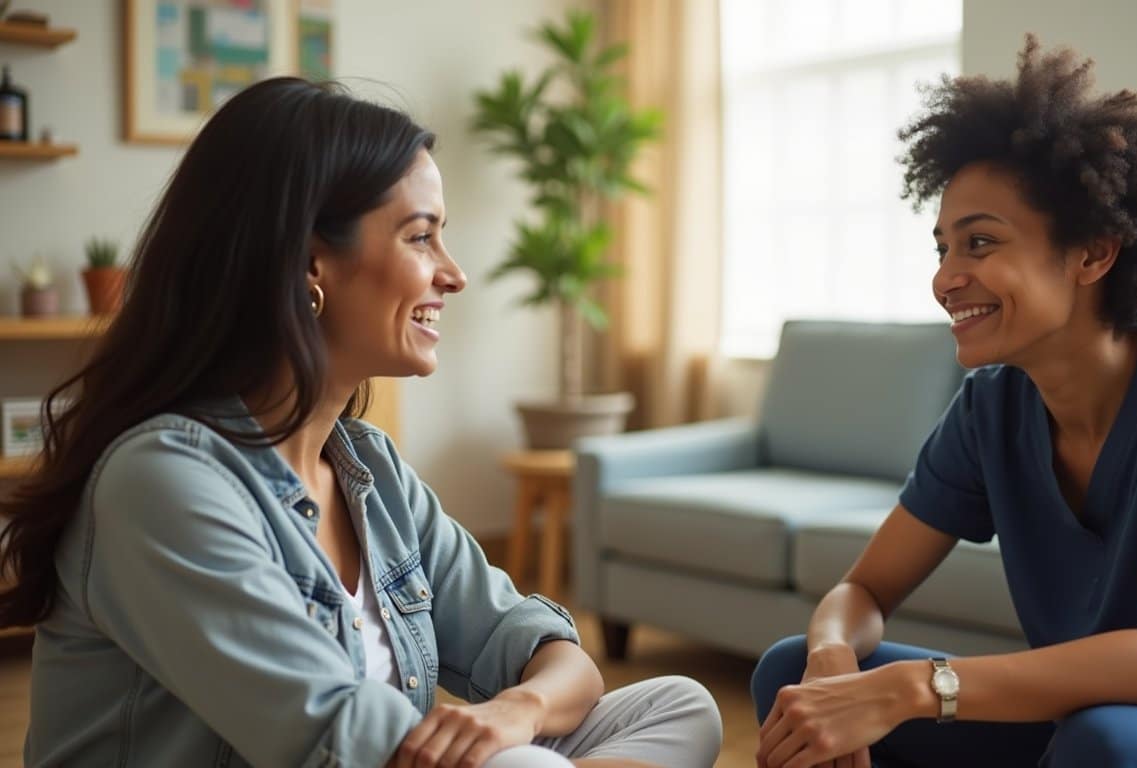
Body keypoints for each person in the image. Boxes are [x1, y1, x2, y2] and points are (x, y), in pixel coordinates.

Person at [0, 78, 721, 768]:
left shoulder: (370, 470)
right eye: (420, 237)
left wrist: (520, 708)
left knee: (679, 705)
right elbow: (340, 739)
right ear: (310, 265)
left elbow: (546, 652)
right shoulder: (162, 481)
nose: (453, 273)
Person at [750, 36, 1137, 768]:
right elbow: (865, 588)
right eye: (943, 249)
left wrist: (910, 688)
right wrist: (833, 656)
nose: (945, 279)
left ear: (1093, 254)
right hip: (1098, 722)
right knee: (791, 676)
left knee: (1106, 741)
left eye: (980, 243)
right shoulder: (991, 407)